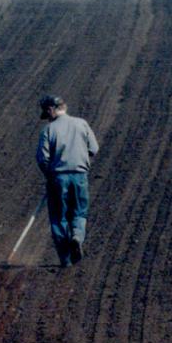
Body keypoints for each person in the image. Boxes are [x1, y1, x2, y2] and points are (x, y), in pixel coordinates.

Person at [36, 94, 99, 267]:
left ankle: (65, 259)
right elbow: (94, 148)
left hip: (58, 178)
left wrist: (49, 176)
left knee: (58, 217)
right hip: (80, 176)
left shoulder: (49, 130)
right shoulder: (82, 123)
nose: (47, 117)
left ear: (51, 109)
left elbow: (42, 159)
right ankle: (77, 236)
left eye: (47, 113)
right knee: (79, 212)